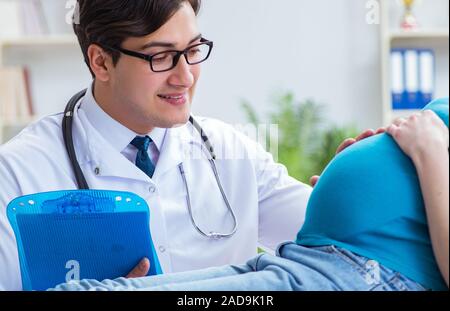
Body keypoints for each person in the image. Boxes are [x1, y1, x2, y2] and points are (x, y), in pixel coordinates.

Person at [0, 0, 376, 290]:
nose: (185, 77)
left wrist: (348, 189)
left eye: (193, 51)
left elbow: (340, 241)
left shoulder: (231, 151)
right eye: (161, 57)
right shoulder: (19, 171)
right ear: (101, 62)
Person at [51, 98, 449, 291]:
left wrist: (428, 154)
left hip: (361, 273)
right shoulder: (27, 158)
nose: (184, 74)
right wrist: (350, 184)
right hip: (318, 254)